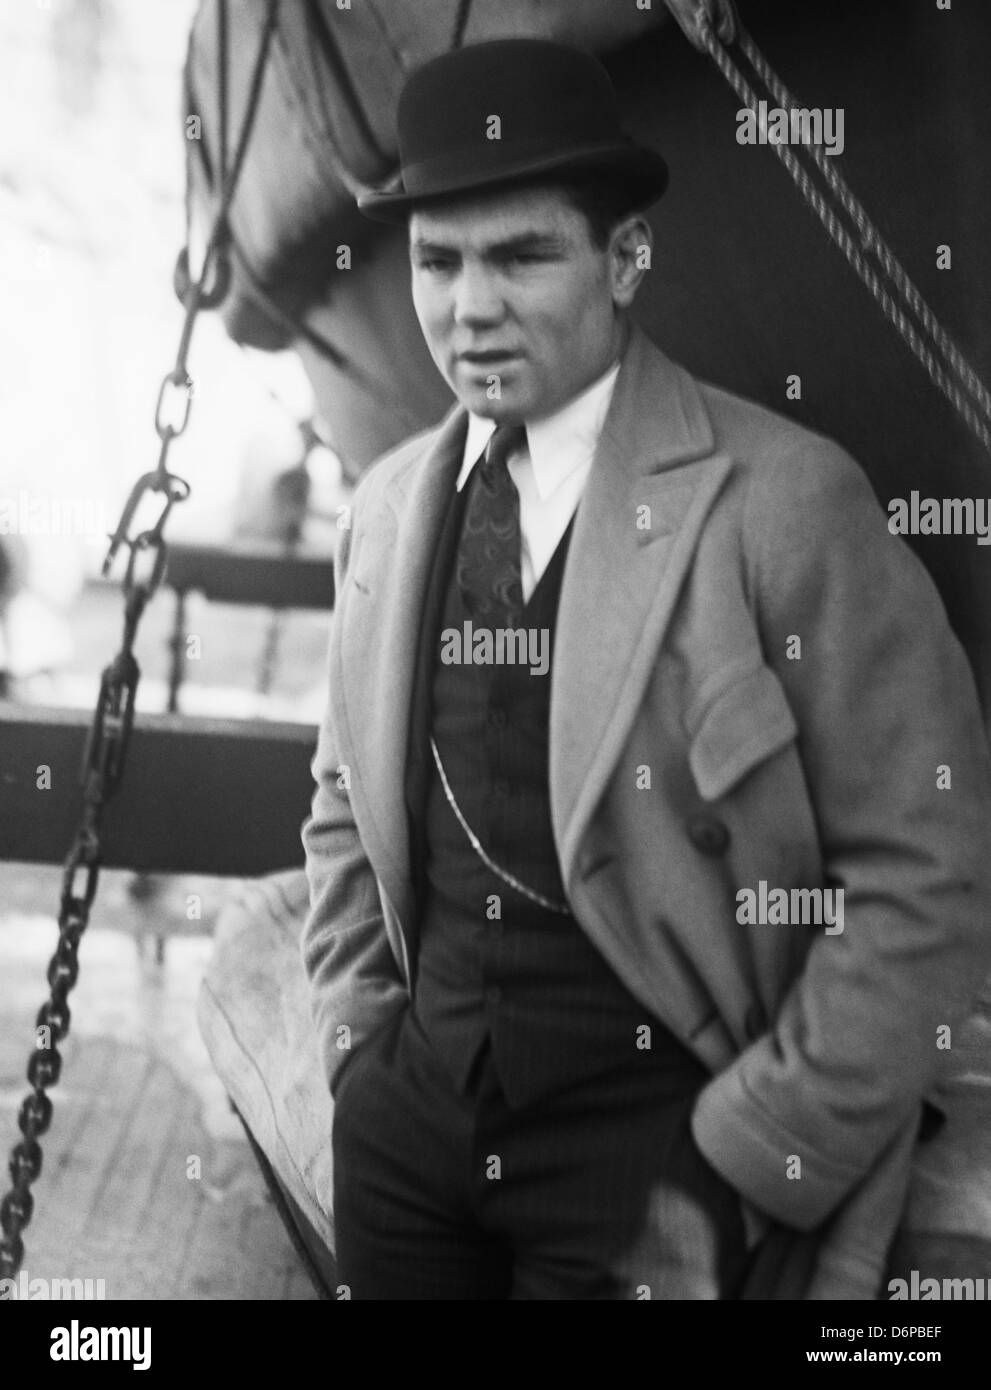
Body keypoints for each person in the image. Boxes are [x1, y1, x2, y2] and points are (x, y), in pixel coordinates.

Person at [300, 38, 991, 1299]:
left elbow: (930, 864)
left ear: (625, 260)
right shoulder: (387, 507)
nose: (469, 309)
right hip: (412, 1141)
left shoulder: (783, 501)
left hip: (662, 1168)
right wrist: (359, 1053)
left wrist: (759, 1146)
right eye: (437, 262)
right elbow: (341, 802)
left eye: (522, 256)